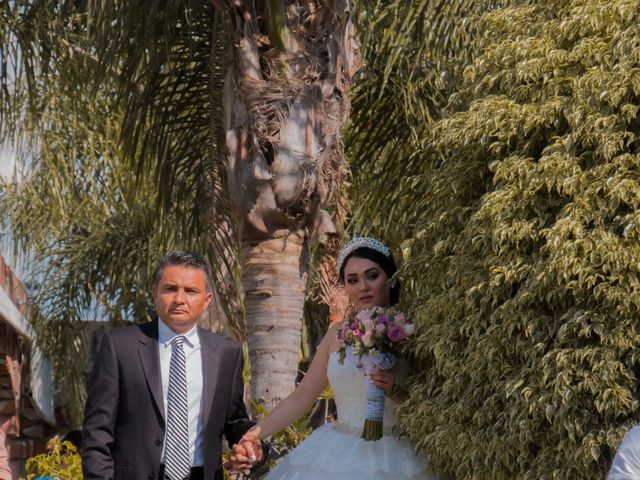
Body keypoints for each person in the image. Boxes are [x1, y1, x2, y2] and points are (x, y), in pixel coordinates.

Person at [230, 237, 437, 479]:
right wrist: (254, 434)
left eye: (372, 276)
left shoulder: (413, 333)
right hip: (341, 452)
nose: (363, 287)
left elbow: (432, 406)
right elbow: (302, 396)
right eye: (353, 280)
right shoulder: (337, 334)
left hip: (400, 454)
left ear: (390, 279)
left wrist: (395, 391)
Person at [82, 251, 263, 480]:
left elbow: (234, 420)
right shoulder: (120, 347)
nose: (179, 299)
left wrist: (253, 446)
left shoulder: (227, 353)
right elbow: (97, 431)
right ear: (155, 293)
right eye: (170, 289)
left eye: (190, 291)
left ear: (206, 300)